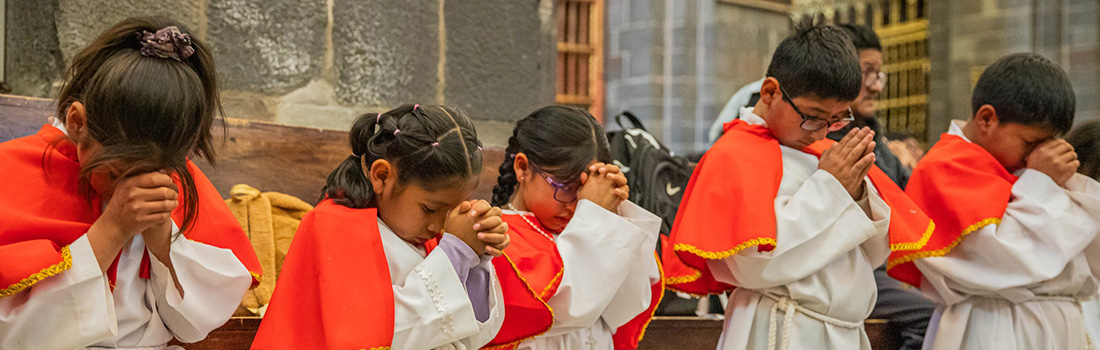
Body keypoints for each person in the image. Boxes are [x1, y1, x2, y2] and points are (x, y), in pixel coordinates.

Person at [661, 21, 932, 350]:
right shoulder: (733, 155)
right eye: (813, 116)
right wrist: (830, 187)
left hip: (843, 330)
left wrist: (858, 196)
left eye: (837, 119)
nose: (822, 132)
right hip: (781, 329)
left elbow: (872, 255)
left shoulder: (822, 151)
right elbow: (754, 265)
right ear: (770, 92)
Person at [0, 17, 261, 349]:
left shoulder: (174, 178)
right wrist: (114, 228)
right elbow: (17, 335)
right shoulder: (12, 170)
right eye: (116, 174)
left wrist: (163, 238)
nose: (132, 191)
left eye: (156, 174)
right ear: (77, 123)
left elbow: (193, 325)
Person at [252, 105, 512, 349]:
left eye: (454, 210)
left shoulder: (428, 237)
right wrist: (456, 254)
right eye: (430, 208)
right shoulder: (335, 227)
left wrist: (474, 258)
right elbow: (378, 333)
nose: (439, 225)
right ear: (382, 176)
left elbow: (466, 335)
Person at [892, 53, 1100, 350]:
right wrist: (1041, 183)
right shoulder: (946, 168)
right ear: (987, 119)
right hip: (995, 325)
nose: (1039, 154)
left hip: (1057, 324)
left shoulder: (1022, 165)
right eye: (1031, 143)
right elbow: (1004, 260)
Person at [483, 106, 663, 350]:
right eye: (566, 188)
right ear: (523, 167)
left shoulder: (593, 224)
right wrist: (595, 215)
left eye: (587, 191)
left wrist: (612, 213)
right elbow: (566, 307)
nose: (576, 206)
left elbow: (624, 308)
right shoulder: (497, 234)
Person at [829, 24, 934, 350]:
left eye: (879, 75)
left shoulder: (879, 142)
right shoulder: (826, 140)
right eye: (867, 73)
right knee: (931, 316)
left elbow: (909, 203)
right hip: (853, 265)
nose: (876, 86)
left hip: (889, 264)